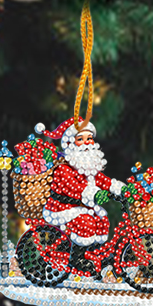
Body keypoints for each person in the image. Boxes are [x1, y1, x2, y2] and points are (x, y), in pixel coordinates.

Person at [40, 118, 126, 275]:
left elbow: (102, 180)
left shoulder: (88, 167)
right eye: (81, 139)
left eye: (89, 138)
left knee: (102, 220)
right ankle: (77, 258)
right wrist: (93, 194)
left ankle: (93, 254)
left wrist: (117, 188)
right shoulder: (63, 168)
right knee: (86, 222)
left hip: (83, 206)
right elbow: (73, 188)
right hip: (62, 207)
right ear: (70, 144)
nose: (87, 143)